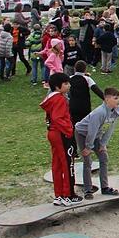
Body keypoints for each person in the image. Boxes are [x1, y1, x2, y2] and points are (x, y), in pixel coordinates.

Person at [41, 72, 81, 206]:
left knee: (57, 164)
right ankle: (68, 195)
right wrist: (69, 130)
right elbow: (58, 118)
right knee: (67, 163)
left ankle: (58, 195)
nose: (69, 85)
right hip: (61, 134)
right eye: (66, 84)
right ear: (58, 87)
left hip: (53, 133)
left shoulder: (51, 98)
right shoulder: (60, 99)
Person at [76, 87, 119, 200]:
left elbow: (110, 129)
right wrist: (88, 147)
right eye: (115, 98)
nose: (118, 101)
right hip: (83, 133)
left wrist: (103, 144)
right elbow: (91, 131)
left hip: (96, 135)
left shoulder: (117, 110)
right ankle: (88, 189)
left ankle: (105, 187)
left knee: (104, 157)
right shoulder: (99, 112)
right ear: (107, 99)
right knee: (87, 160)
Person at [69, 60, 105, 125]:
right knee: (85, 125)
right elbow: (97, 91)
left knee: (74, 125)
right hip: (85, 106)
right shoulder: (87, 79)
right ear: (85, 69)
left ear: (74, 68)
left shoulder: (69, 78)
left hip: (73, 106)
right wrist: (106, 99)